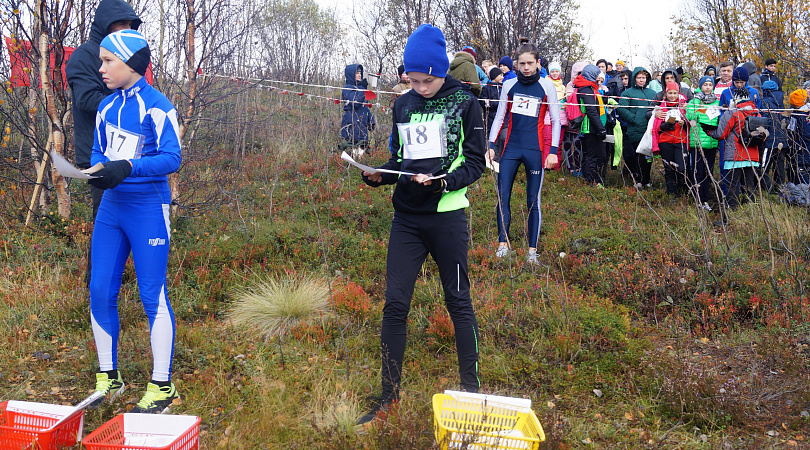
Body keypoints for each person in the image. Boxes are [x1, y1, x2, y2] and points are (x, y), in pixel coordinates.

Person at [357, 23, 485, 425]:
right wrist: (379, 173)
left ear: (440, 71)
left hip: (447, 217)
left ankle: (472, 392)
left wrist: (444, 182)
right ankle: (387, 397)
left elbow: (476, 163)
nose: (419, 87)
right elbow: (400, 160)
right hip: (407, 219)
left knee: (458, 300)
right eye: (411, 80)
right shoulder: (403, 105)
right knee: (395, 303)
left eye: (425, 80)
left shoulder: (467, 103)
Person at [87, 29, 182, 413]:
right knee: (98, 289)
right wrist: (92, 171)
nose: (102, 68)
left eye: (108, 61)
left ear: (130, 63)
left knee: (151, 294)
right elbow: (97, 151)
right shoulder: (106, 107)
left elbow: (171, 158)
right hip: (111, 209)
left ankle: (162, 386)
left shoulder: (158, 106)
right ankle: (109, 377)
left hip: (147, 208)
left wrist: (127, 166)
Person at [65, 0, 141, 287]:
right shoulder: (84, 57)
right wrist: (128, 103)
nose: (124, 30)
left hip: (129, 153)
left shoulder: (127, 56)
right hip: (99, 153)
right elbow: (86, 100)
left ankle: (115, 279)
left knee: (130, 218)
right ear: (104, 24)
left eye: (129, 26)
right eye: (119, 24)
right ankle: (96, 288)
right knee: (106, 224)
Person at [488, 41, 561, 263]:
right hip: (511, 148)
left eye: (530, 63)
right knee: (503, 195)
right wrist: (491, 145)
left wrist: (553, 151)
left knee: (533, 200)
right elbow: (500, 116)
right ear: (516, 65)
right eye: (522, 64)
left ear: (538, 63)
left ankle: (532, 252)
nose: (526, 67)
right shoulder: (509, 85)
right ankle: (503, 245)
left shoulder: (547, 86)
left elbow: (557, 120)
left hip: (535, 150)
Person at [704, 87, 763, 222]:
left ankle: (730, 218)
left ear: (735, 98)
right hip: (752, 157)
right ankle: (751, 218)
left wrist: (708, 131)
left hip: (734, 156)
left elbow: (720, 134)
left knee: (732, 188)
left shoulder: (733, 112)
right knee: (749, 187)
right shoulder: (757, 113)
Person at [617, 67, 656, 188]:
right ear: (634, 79)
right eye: (639, 77)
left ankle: (647, 180)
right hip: (635, 130)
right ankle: (639, 180)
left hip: (649, 129)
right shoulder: (627, 93)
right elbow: (621, 109)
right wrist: (633, 119)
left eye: (643, 77)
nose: (641, 80)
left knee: (648, 156)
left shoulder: (652, 93)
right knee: (638, 155)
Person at [686, 76, 721, 208]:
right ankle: (697, 198)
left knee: (708, 171)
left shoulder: (717, 102)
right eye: (705, 84)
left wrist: (702, 115)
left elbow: (719, 119)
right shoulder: (694, 100)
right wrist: (701, 113)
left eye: (710, 85)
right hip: (697, 142)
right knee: (697, 171)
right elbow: (690, 115)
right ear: (701, 86)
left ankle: (706, 199)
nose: (707, 87)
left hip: (712, 142)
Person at [653, 82, 691, 197]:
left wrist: (684, 123)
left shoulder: (684, 106)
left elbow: (692, 122)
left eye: (675, 93)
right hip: (665, 141)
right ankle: (671, 194)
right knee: (669, 169)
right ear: (666, 93)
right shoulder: (661, 107)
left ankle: (682, 191)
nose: (672, 95)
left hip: (681, 140)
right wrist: (666, 125)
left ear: (678, 94)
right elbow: (656, 127)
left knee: (681, 168)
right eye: (670, 93)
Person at [574, 65, 608, 185]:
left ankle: (590, 180)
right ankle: (592, 181)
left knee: (591, 155)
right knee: (593, 156)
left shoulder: (586, 87)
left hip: (590, 127)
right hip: (590, 128)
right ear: (591, 75)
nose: (599, 76)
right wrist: (601, 129)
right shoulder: (586, 90)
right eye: (597, 73)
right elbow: (591, 111)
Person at [761, 80, 791, 188]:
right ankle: (780, 189)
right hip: (782, 140)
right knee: (779, 167)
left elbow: (763, 121)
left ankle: (766, 190)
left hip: (768, 140)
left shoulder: (764, 102)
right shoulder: (782, 103)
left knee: (764, 167)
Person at [340, 64, 376, 151]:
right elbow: (356, 103)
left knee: (362, 152)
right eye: (357, 73)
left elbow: (365, 107)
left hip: (362, 124)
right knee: (353, 152)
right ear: (351, 74)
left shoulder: (360, 88)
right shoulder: (347, 89)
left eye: (360, 73)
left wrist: (371, 120)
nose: (359, 75)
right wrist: (363, 88)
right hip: (352, 123)